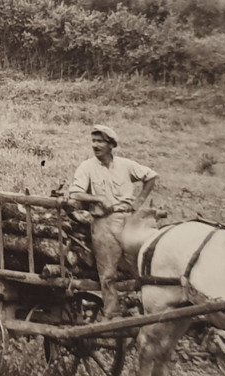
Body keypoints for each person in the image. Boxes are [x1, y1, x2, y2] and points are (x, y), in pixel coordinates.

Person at [65, 123, 158, 317]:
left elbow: (150, 176)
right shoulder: (87, 167)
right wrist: (98, 198)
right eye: (94, 141)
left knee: (142, 265)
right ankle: (112, 313)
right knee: (107, 274)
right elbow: (75, 193)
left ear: (111, 145)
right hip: (103, 223)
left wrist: (139, 201)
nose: (96, 145)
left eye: (100, 141)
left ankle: (144, 307)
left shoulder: (126, 165)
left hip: (128, 220)